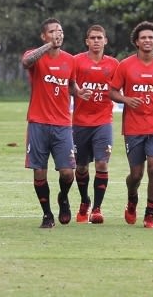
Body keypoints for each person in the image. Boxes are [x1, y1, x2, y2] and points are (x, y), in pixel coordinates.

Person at [21, 17, 91, 228]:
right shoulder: (34, 55)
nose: (57, 34)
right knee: (39, 171)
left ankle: (63, 197)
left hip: (62, 124)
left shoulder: (70, 60)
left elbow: (70, 85)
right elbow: (26, 62)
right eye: (52, 31)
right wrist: (48, 46)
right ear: (44, 36)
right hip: (38, 123)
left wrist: (78, 92)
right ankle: (47, 214)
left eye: (59, 31)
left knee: (68, 172)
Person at [109, 21, 153, 229]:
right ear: (136, 42)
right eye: (143, 37)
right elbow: (112, 91)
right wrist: (126, 100)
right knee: (136, 174)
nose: (147, 40)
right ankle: (132, 198)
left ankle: (150, 214)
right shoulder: (125, 65)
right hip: (133, 126)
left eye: (151, 37)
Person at [72, 25, 119, 224]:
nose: (96, 41)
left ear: (105, 41)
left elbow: (120, 88)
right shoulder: (76, 62)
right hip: (80, 123)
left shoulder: (114, 65)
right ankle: (85, 201)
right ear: (87, 41)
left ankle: (97, 209)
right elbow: (66, 86)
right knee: (81, 168)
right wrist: (77, 92)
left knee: (102, 163)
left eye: (100, 37)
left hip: (103, 122)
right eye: (92, 38)